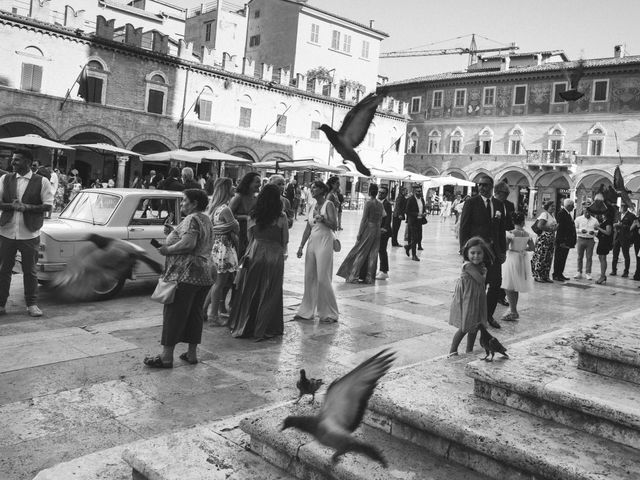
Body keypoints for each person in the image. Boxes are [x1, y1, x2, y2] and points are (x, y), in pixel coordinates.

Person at [144, 189, 214, 368]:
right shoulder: (206, 219)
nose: (182, 204)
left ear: (195, 203)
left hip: (186, 274)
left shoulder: (191, 219)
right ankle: (191, 354)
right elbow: (194, 240)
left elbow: (189, 244)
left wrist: (167, 249)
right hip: (204, 274)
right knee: (195, 314)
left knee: (174, 314)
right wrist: (175, 231)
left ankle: (166, 357)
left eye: (184, 201)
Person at [229, 184, 288, 340]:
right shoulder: (281, 217)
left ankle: (247, 325)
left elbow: (250, 237)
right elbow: (285, 240)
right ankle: (267, 327)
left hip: (255, 252)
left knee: (250, 290)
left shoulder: (253, 215)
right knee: (271, 292)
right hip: (274, 256)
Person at [0, 149, 53, 317]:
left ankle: (31, 304)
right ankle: (1, 304)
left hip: (29, 234)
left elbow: (48, 206)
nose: (13, 163)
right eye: (13, 160)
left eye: (17, 160)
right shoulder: (5, 178)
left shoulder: (42, 181)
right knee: (3, 270)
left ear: (28, 162)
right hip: (6, 231)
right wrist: (12, 206)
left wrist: (26, 207)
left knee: (30, 271)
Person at [459, 175, 506, 329]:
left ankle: (488, 316)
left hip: (494, 252)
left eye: (485, 185)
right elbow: (464, 227)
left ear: (492, 187)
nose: (482, 187)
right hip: (477, 252)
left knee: (496, 283)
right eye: (479, 185)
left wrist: (502, 250)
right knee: (479, 285)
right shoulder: (471, 202)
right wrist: (464, 251)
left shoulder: (498, 204)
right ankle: (477, 316)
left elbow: (501, 230)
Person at [295, 180, 339, 323]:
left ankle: (329, 312)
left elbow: (334, 225)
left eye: (314, 188)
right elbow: (308, 227)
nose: (312, 190)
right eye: (312, 188)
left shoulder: (329, 205)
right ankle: (306, 310)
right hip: (312, 243)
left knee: (322, 277)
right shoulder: (312, 205)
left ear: (322, 190)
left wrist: (323, 219)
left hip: (325, 241)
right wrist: (301, 246)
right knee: (309, 276)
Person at [448, 237, 494, 356]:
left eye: (479, 253)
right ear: (467, 253)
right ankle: (452, 350)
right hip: (468, 299)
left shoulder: (479, 266)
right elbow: (480, 280)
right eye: (472, 253)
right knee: (465, 327)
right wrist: (484, 272)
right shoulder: (468, 266)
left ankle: (469, 350)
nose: (476, 256)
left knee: (475, 326)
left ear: (484, 253)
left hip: (476, 298)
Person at [206, 178, 239, 325]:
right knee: (220, 284)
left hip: (217, 247)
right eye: (232, 186)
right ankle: (213, 316)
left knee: (215, 283)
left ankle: (204, 310)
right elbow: (236, 228)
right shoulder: (225, 209)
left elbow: (213, 229)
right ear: (226, 189)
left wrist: (221, 229)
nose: (235, 188)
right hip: (225, 249)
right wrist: (229, 227)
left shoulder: (214, 208)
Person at [337, 183, 384, 283]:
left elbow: (364, 219)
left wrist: (359, 233)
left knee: (361, 252)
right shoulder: (380, 204)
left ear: (369, 192)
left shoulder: (368, 203)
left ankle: (353, 275)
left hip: (369, 229)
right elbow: (383, 215)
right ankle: (370, 277)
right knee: (373, 254)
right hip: (377, 229)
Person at [501, 212, 535, 321]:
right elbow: (532, 247)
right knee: (515, 285)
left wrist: (511, 247)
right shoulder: (527, 234)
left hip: (512, 257)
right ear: (523, 222)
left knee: (509, 285)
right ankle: (513, 309)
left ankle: (513, 310)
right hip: (523, 258)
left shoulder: (511, 233)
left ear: (513, 222)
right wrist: (523, 249)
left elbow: (505, 247)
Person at [230, 172, 261, 259]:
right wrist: (245, 217)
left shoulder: (256, 198)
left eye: (260, 182)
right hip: (238, 233)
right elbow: (227, 215)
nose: (260, 184)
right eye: (257, 182)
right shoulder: (238, 197)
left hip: (251, 233)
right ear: (249, 183)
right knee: (237, 257)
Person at [531, 201, 557, 283]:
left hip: (550, 239)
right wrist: (551, 229)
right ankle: (538, 275)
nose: (553, 207)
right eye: (551, 206)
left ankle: (545, 275)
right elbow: (540, 225)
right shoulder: (544, 214)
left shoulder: (552, 215)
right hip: (543, 238)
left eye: (554, 206)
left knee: (548, 257)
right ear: (547, 207)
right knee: (541, 256)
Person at [553, 198, 576, 281]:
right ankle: (556, 274)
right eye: (573, 206)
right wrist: (562, 241)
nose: (574, 207)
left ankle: (560, 273)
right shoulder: (562, 213)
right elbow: (560, 229)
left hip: (567, 241)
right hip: (562, 241)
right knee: (559, 258)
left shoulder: (567, 213)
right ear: (569, 206)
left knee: (563, 258)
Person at [574, 205, 599, 280]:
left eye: (589, 212)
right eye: (586, 212)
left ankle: (588, 273)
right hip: (581, 238)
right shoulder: (578, 219)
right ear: (583, 211)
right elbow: (575, 228)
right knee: (579, 256)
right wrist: (581, 230)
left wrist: (594, 232)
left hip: (590, 240)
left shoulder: (595, 220)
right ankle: (579, 272)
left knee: (589, 257)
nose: (587, 214)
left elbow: (598, 230)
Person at [611, 203, 636, 277]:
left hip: (625, 238)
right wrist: (615, 225)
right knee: (615, 254)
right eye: (621, 206)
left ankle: (626, 272)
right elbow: (614, 222)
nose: (622, 207)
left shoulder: (631, 216)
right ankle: (614, 270)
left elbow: (633, 227)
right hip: (617, 237)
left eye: (624, 206)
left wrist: (623, 226)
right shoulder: (618, 214)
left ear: (627, 207)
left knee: (626, 255)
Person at [405, 183, 426, 261]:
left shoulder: (422, 199)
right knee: (414, 238)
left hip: (420, 221)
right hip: (413, 221)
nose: (419, 193)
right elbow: (407, 211)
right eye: (417, 191)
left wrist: (424, 213)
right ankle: (414, 255)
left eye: (420, 191)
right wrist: (417, 214)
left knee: (419, 238)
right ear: (414, 192)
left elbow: (423, 208)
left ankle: (408, 247)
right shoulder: (411, 199)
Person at [376, 185, 393, 280]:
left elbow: (388, 217)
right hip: (379, 230)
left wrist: (385, 228)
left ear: (386, 194)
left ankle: (384, 271)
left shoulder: (386, 204)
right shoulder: (378, 202)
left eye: (382, 193)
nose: (380, 194)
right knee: (380, 250)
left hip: (384, 231)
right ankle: (381, 269)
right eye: (379, 192)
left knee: (382, 250)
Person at [594, 211, 613, 284]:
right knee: (600, 257)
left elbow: (608, 232)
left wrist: (598, 228)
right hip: (602, 241)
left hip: (605, 242)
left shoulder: (608, 222)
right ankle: (603, 275)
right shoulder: (604, 221)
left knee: (603, 258)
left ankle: (602, 276)